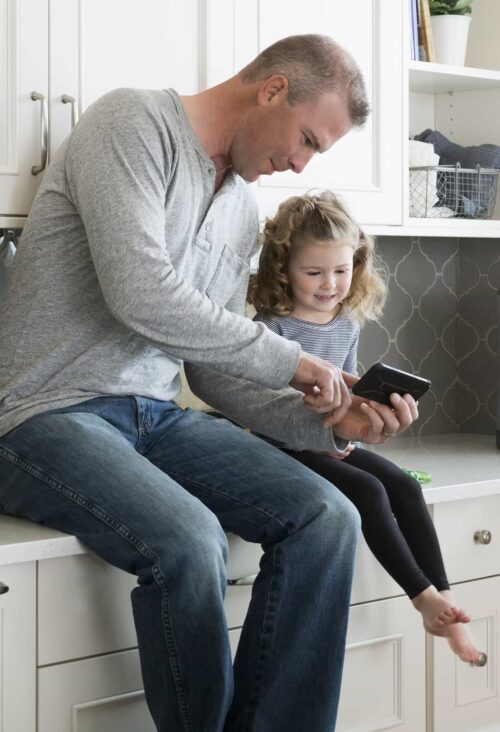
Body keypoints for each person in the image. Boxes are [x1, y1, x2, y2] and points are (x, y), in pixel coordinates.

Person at [0, 35, 418, 732]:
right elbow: (143, 294)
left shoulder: (240, 212)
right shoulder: (130, 124)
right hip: (44, 413)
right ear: (273, 89)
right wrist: (299, 363)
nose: (300, 164)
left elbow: (215, 373)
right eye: (307, 139)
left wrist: (327, 421)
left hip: (153, 419)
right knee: (193, 539)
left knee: (327, 517)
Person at [249, 189, 484, 665]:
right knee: (371, 494)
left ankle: (445, 598)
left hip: (336, 442)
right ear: (282, 268)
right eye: (313, 272)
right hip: (286, 447)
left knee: (403, 487)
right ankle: (423, 599)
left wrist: (362, 420)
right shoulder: (270, 328)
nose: (329, 284)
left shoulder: (345, 322)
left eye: (340, 270)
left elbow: (351, 391)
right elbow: (266, 406)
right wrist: (327, 428)